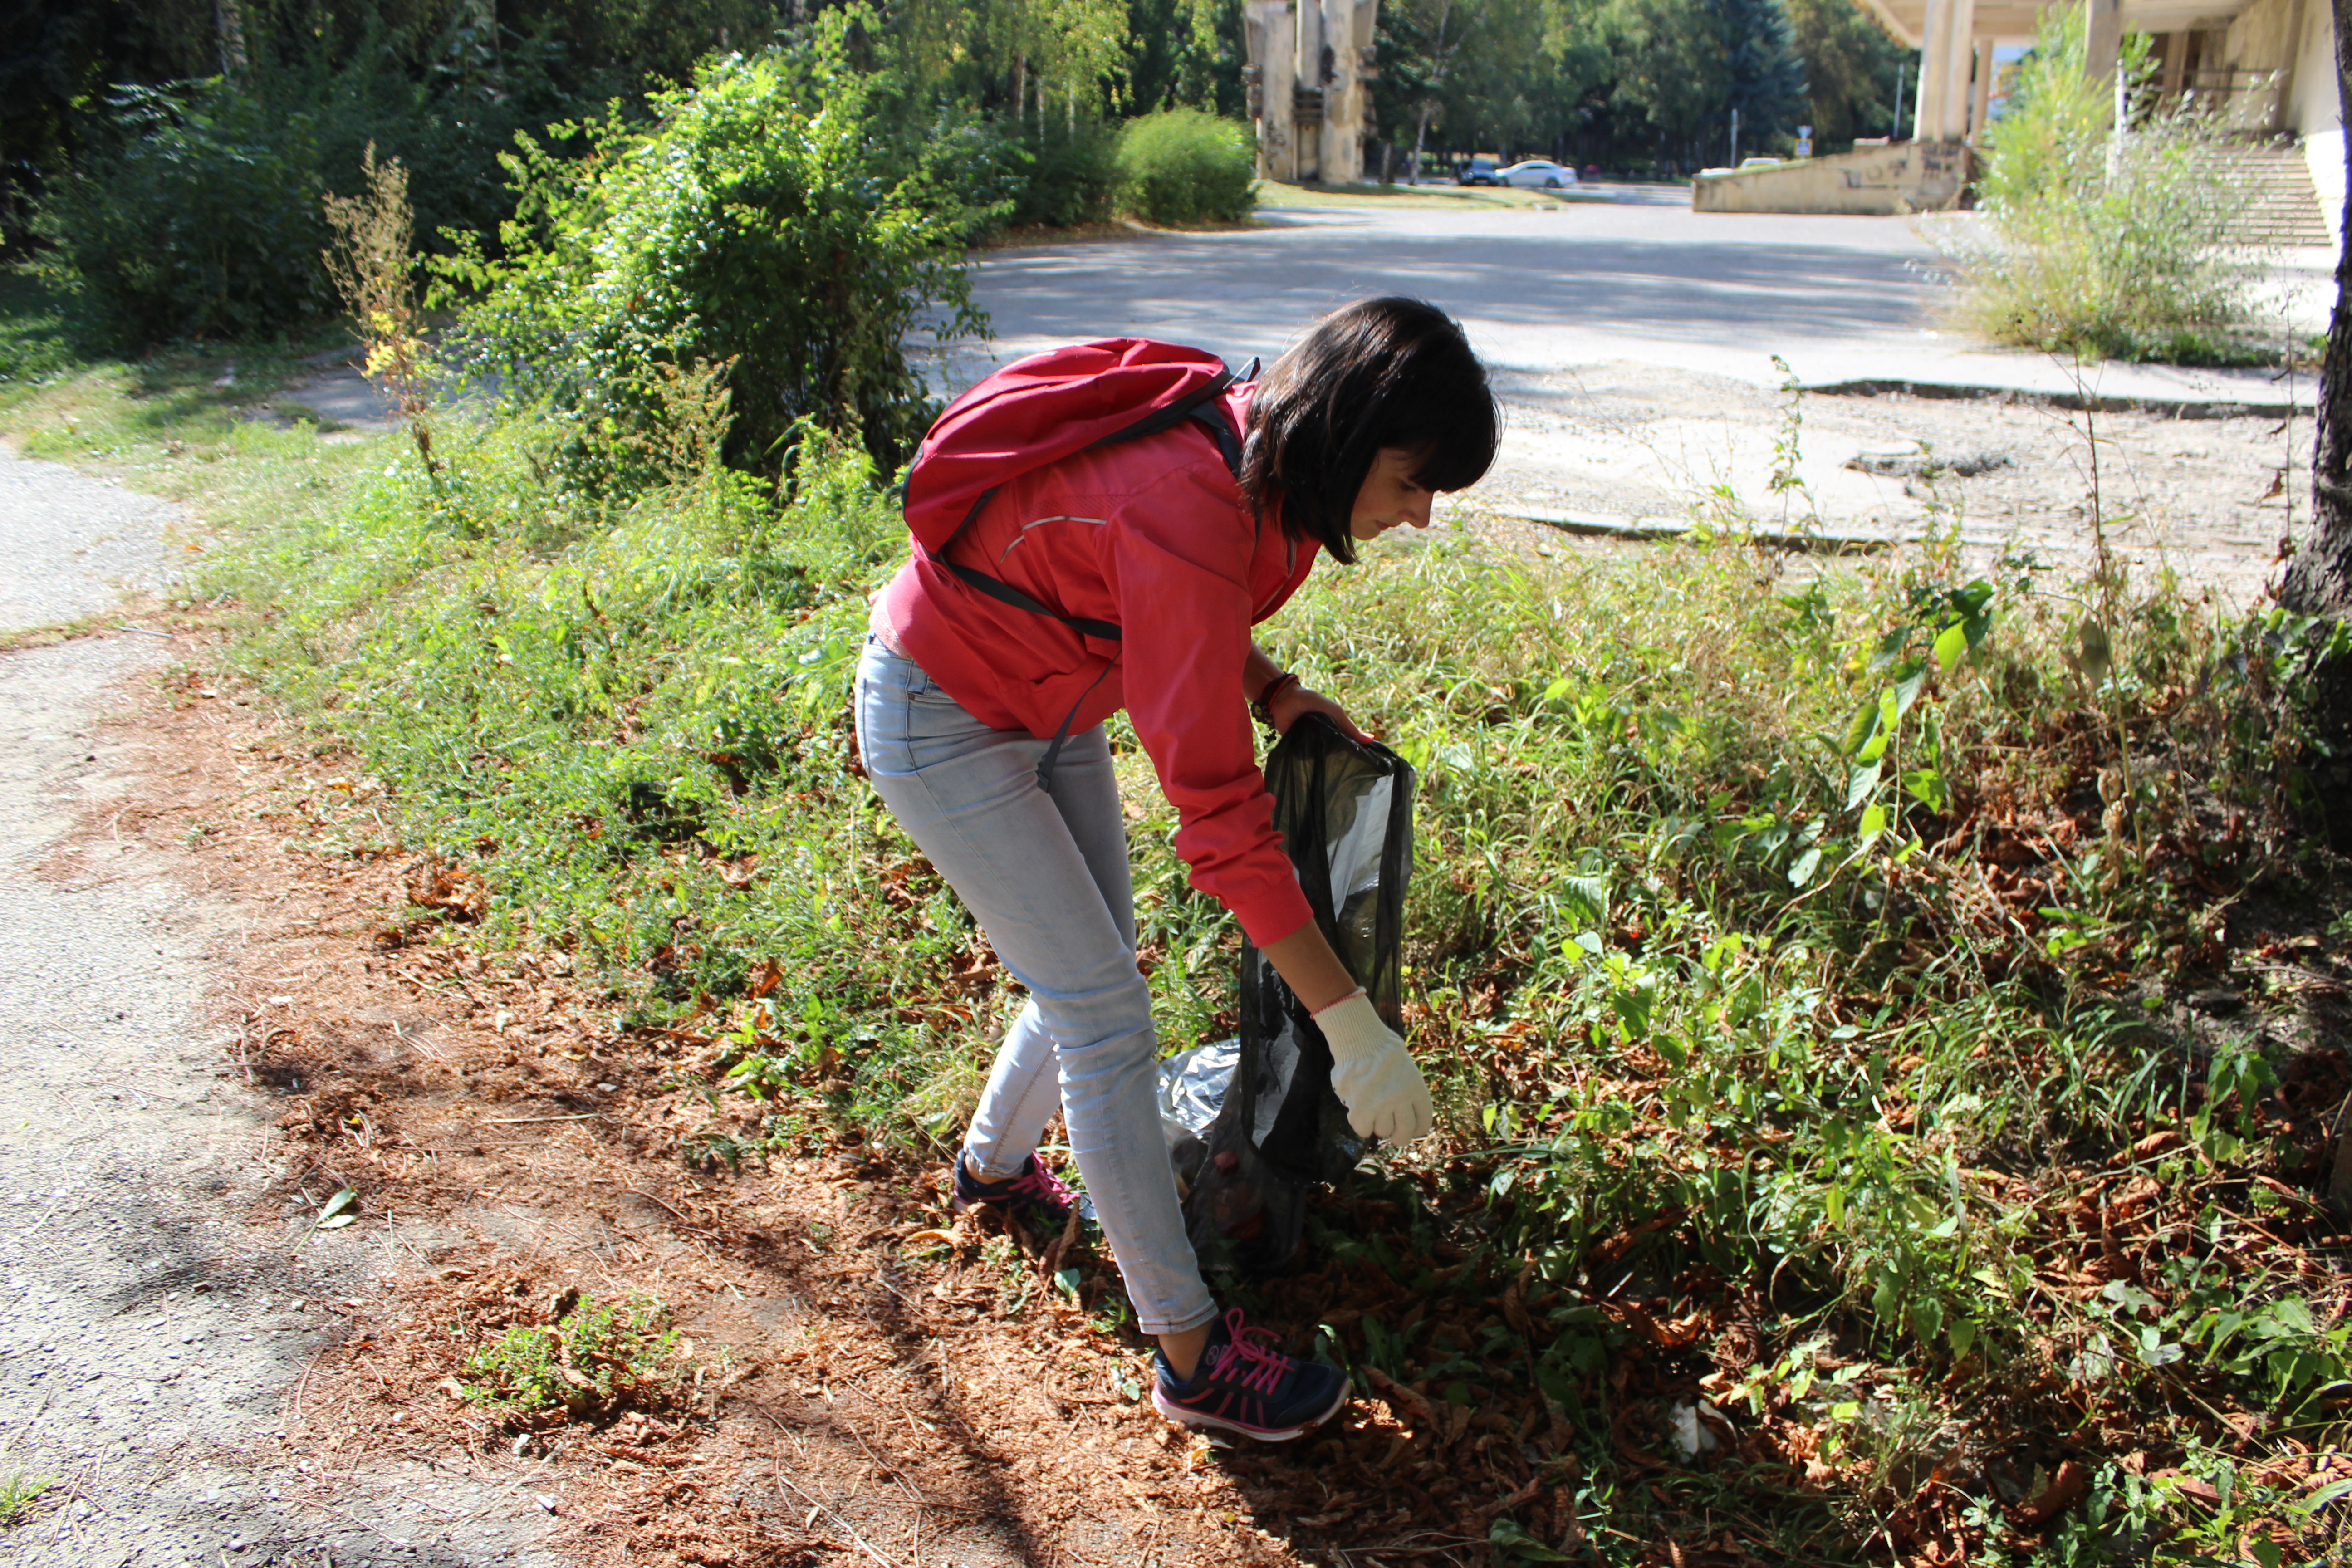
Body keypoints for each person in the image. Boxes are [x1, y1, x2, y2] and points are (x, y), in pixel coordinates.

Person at [853, 297, 1498, 1441]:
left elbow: (1170, 607)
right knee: (1106, 1016)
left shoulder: (1266, 457)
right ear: (1350, 437)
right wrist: (1350, 1024)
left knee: (1091, 971)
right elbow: (1223, 826)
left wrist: (1270, 689)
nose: (1421, 516)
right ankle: (1193, 1359)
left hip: (1049, 699)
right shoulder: (1195, 499)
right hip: (945, 715)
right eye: (1413, 483)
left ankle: (993, 1172)